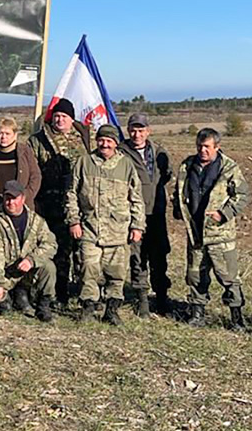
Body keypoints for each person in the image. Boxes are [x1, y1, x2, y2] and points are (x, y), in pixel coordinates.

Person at [66, 124, 147, 324]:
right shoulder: (84, 163)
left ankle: (112, 310)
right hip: (89, 229)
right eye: (102, 140)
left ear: (116, 143)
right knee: (88, 270)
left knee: (116, 273)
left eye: (109, 141)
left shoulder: (126, 165)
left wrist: (137, 226)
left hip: (118, 231)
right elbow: (71, 195)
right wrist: (74, 221)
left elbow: (136, 198)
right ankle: (88, 308)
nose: (105, 144)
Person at [174, 128, 250, 331]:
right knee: (196, 275)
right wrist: (179, 209)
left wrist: (222, 214)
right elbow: (179, 191)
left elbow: (242, 196)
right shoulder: (187, 165)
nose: (202, 150)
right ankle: (197, 314)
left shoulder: (229, 167)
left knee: (229, 276)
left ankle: (236, 318)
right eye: (199, 146)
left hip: (220, 234)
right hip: (196, 232)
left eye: (207, 146)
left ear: (217, 147)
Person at [28, 98, 90, 306]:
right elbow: (31, 171)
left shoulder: (82, 139)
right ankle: (49, 291)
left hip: (74, 204)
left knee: (73, 250)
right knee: (50, 248)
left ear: (71, 119)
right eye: (57, 116)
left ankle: (71, 291)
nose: (60, 120)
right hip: (46, 203)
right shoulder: (38, 140)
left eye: (64, 117)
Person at [119, 113, 174, 314]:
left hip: (157, 214)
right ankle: (142, 298)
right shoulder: (121, 153)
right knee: (137, 257)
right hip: (133, 215)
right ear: (128, 130)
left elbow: (167, 176)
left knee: (159, 256)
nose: (137, 134)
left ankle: (161, 297)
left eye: (141, 130)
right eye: (133, 129)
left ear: (148, 131)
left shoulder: (159, 152)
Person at [0, 181, 57, 322]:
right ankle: (8, 296)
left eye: (14, 198)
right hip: (5, 274)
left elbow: (51, 244)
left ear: (22, 199)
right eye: (7, 198)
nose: (10, 202)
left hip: (26, 272)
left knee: (48, 267)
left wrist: (31, 260)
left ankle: (43, 306)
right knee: (4, 308)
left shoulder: (36, 220)